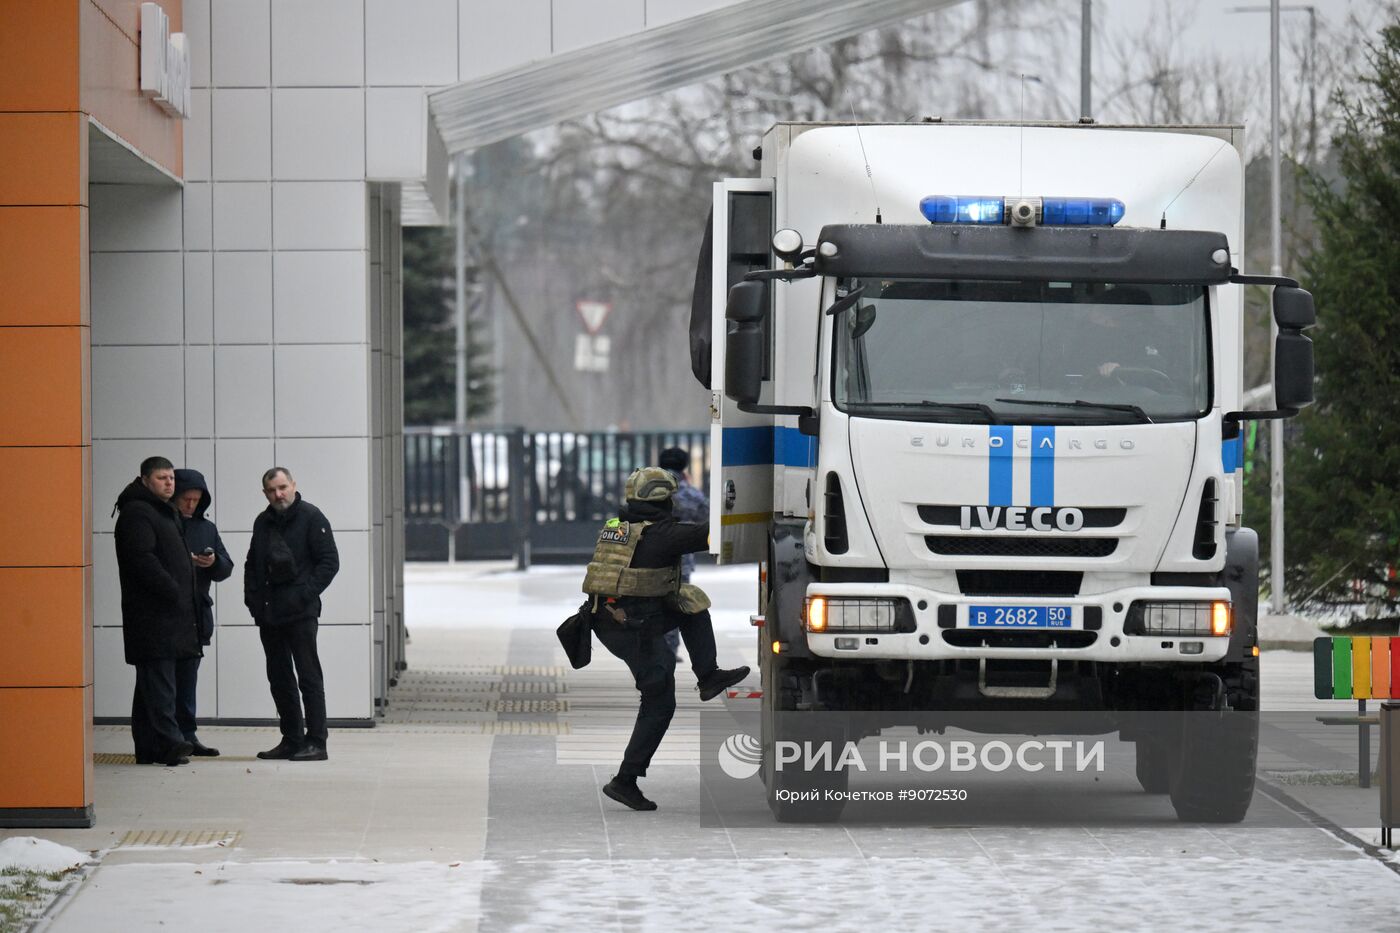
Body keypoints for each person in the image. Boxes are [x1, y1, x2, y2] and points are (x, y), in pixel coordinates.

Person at [585, 467, 749, 811]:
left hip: (613, 617)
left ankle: (708, 676)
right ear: (664, 499)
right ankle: (625, 781)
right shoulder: (662, 534)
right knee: (659, 700)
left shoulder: (617, 527)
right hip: (632, 627)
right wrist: (735, 504)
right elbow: (712, 534)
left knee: (690, 604)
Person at [244, 467, 340, 762]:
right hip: (270, 614)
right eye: (272, 490)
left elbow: (329, 562)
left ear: (294, 485)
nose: (279, 494)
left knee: (308, 676)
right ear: (265, 493)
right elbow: (252, 564)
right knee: (279, 677)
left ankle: (317, 742)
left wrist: (303, 595)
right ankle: (292, 738)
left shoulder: (312, 517)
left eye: (283, 487)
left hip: (300, 613)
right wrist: (253, 601)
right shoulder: (263, 522)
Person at [112, 456, 202, 766]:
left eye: (172, 478)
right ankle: (170, 743)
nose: (169, 483)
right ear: (145, 480)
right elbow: (142, 559)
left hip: (168, 616)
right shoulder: (138, 513)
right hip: (152, 616)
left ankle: (149, 747)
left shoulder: (165, 512)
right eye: (162, 478)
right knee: (160, 682)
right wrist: (173, 589)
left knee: (150, 686)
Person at [172, 469, 234, 756]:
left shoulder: (206, 528)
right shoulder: (164, 523)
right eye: (186, 499)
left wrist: (212, 562)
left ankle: (188, 733)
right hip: (170, 612)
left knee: (188, 678)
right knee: (166, 680)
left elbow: (226, 567)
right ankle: (170, 735)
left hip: (197, 614)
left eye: (196, 500)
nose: (191, 505)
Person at [657, 446, 708, 660]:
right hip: (682, 557)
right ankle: (670, 649)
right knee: (677, 601)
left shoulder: (652, 490)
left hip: (653, 552)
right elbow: (706, 514)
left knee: (652, 599)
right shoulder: (689, 492)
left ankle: (654, 647)